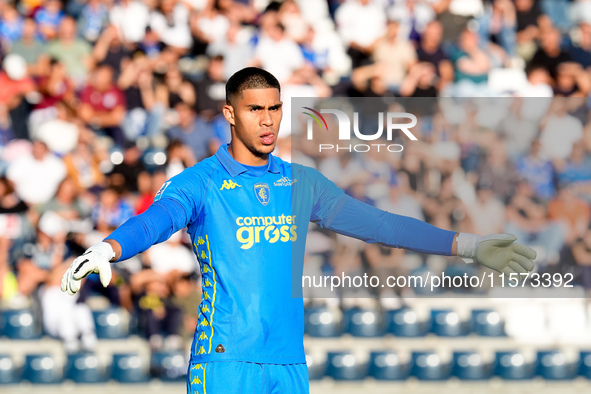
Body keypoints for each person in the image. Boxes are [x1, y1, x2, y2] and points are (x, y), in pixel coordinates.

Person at [61, 67, 536, 393]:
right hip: (227, 361)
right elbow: (158, 219)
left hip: (289, 363)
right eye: (254, 110)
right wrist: (111, 246)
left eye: (275, 108)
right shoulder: (202, 182)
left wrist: (466, 244)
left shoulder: (300, 182)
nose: (268, 121)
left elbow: (379, 224)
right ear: (230, 114)